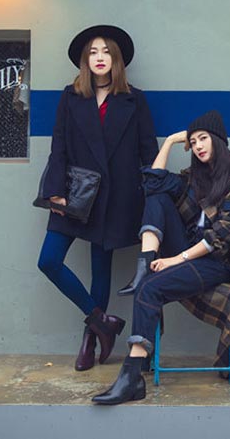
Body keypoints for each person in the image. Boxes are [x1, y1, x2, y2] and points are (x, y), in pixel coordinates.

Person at [92, 110, 230, 405]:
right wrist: (169, 142)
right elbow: (152, 183)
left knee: (149, 288)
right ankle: (145, 264)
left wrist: (176, 260)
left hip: (217, 265)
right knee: (157, 196)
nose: (197, 146)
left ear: (219, 141)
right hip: (189, 255)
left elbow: (221, 237)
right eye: (193, 141)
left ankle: (132, 376)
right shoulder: (193, 181)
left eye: (203, 138)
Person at [37, 25, 158, 372]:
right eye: (93, 52)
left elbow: (147, 150)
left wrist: (153, 196)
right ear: (84, 60)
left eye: (106, 52)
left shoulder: (135, 99)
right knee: (49, 261)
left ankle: (91, 340)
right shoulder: (71, 96)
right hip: (75, 193)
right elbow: (58, 145)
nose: (100, 58)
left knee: (100, 268)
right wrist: (55, 190)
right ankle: (102, 321)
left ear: (116, 60)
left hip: (116, 196)